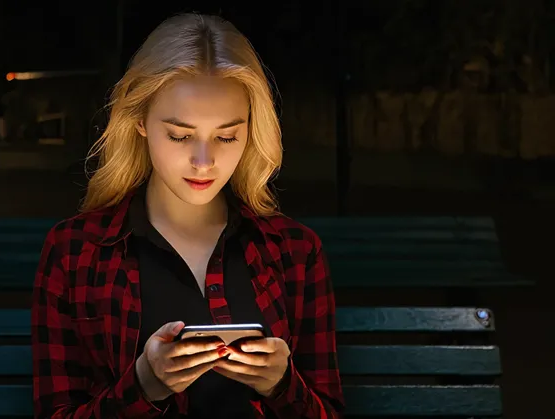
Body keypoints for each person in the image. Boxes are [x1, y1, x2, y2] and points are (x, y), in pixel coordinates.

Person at [32, 13, 343, 419]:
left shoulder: (295, 253)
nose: (203, 162)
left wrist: (282, 386)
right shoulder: (74, 253)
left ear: (251, 130)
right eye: (180, 135)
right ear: (139, 121)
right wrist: (143, 386)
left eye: (227, 136)